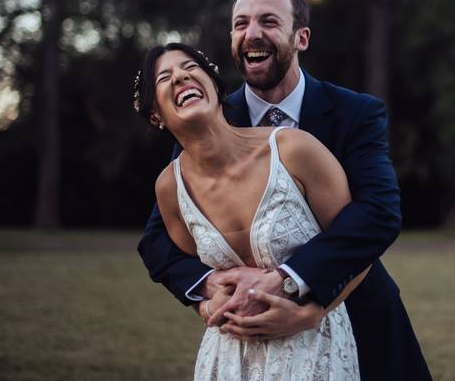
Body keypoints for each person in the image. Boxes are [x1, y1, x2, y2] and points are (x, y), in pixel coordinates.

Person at [138, 0, 431, 380]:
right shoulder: (208, 118)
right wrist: (210, 289)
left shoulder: (354, 113)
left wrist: (299, 297)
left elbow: (378, 213)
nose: (252, 33)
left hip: (358, 315)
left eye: (268, 22)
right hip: (244, 341)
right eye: (241, 24)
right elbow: (158, 240)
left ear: (301, 38)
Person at [135, 42, 362, 379]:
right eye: (164, 77)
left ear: (214, 84)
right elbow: (178, 259)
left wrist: (310, 312)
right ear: (155, 114)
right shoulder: (170, 188)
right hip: (227, 357)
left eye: (190, 68)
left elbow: (357, 246)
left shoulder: (293, 150)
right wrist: (205, 300)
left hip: (313, 349)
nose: (180, 77)